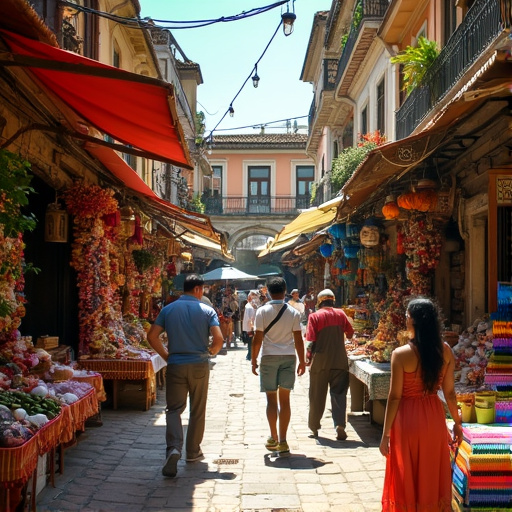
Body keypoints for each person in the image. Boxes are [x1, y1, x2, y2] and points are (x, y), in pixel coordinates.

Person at [379, 297, 463, 511]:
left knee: (406, 471)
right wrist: (458, 422)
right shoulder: (445, 351)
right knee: (430, 470)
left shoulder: (401, 354)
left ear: (413, 321)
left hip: (406, 419)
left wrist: (385, 434)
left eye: (407, 317)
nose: (406, 321)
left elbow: (395, 396)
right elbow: (450, 393)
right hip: (433, 417)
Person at [147, 274, 224, 478]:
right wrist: (211, 352)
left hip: (176, 365)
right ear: (198, 289)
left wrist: (166, 356)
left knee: (173, 409)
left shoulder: (168, 309)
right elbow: (218, 338)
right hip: (199, 364)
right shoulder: (208, 311)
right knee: (197, 409)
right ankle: (192, 452)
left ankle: (173, 448)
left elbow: (151, 336)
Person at [251, 277, 306, 457]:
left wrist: (253, 359)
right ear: (285, 290)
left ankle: (273, 437)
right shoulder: (293, 312)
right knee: (285, 400)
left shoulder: (262, 312)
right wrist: (302, 361)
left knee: (271, 400)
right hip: (289, 357)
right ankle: (283, 441)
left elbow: (257, 338)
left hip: (268, 357)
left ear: (268, 290)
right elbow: (298, 339)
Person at [305, 289, 354, 440]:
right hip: (339, 359)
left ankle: (314, 427)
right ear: (333, 301)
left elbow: (311, 340)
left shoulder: (314, 316)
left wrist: (308, 358)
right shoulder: (341, 314)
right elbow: (351, 333)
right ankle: (340, 425)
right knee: (339, 394)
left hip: (320, 361)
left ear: (319, 302)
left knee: (316, 395)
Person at [242, 290, 258, 361]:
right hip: (250, 327)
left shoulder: (252, 306)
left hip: (253, 326)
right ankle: (249, 355)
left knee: (252, 342)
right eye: (253, 295)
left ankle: (251, 355)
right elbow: (249, 318)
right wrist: (251, 326)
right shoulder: (248, 307)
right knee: (250, 342)